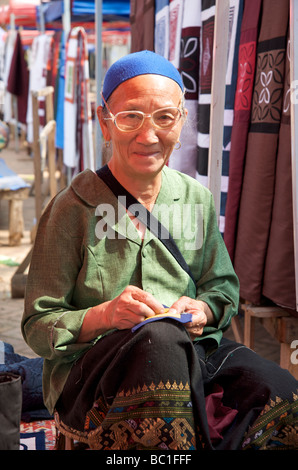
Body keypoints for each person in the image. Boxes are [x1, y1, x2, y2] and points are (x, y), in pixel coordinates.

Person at [22, 50, 298, 450]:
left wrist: (201, 310)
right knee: (160, 342)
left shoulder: (195, 200)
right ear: (105, 122)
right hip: (94, 371)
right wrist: (105, 314)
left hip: (192, 355)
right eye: (130, 116)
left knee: (278, 391)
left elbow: (222, 290)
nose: (148, 135)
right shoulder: (72, 207)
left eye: (164, 117)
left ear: (182, 122)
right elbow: (36, 325)